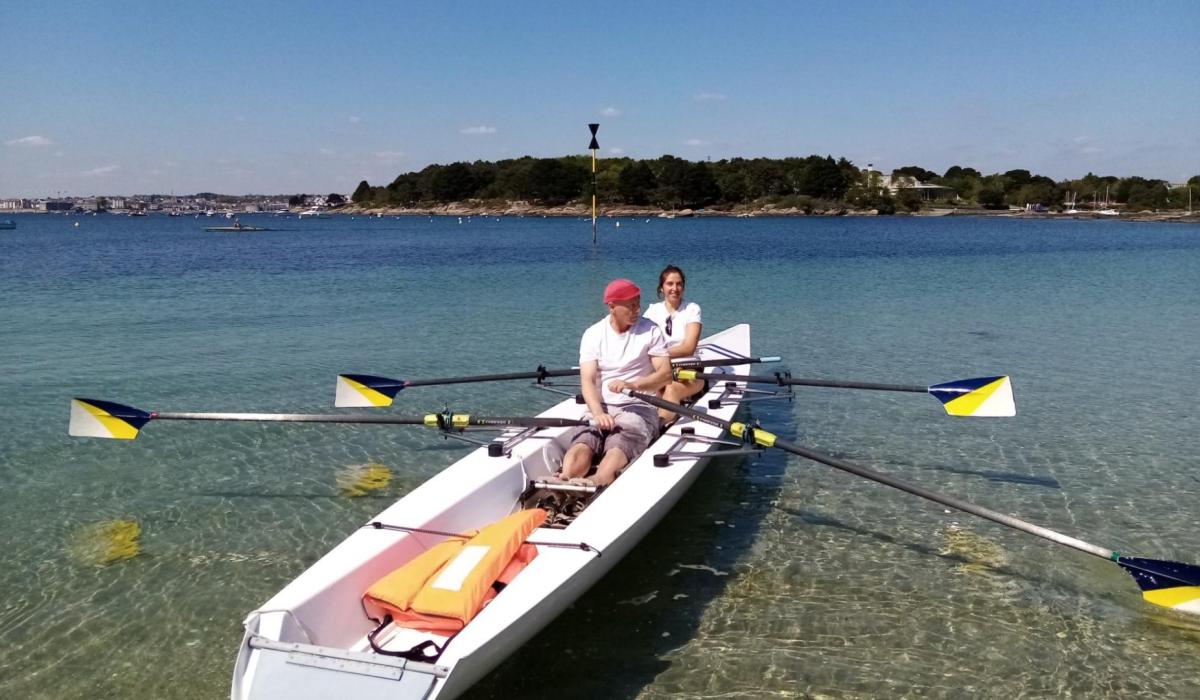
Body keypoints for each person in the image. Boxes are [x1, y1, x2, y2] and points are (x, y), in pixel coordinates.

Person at [558, 278, 672, 487]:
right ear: (612, 306)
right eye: (631, 305)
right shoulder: (593, 334)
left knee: (621, 441)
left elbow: (665, 375)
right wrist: (597, 412)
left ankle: (599, 479)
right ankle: (565, 477)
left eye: (638, 303)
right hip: (601, 406)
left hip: (638, 406)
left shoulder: (651, 330)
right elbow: (588, 380)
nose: (637, 309)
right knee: (585, 439)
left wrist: (634, 386)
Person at [642, 265, 704, 424]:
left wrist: (659, 355)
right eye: (670, 284)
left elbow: (688, 348)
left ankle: (658, 426)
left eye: (679, 284)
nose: (675, 288)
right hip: (660, 369)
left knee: (670, 388)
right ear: (661, 288)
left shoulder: (692, 309)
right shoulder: (652, 312)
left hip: (690, 371)